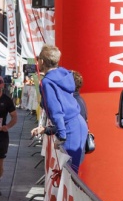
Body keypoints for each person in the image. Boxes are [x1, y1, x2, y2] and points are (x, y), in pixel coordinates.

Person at [30, 44, 88, 172]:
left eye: (38, 59)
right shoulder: (64, 75)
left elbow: (56, 110)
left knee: (69, 172)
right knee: (71, 170)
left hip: (69, 127)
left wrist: (61, 136)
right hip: (77, 123)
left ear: (42, 61)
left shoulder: (47, 82)